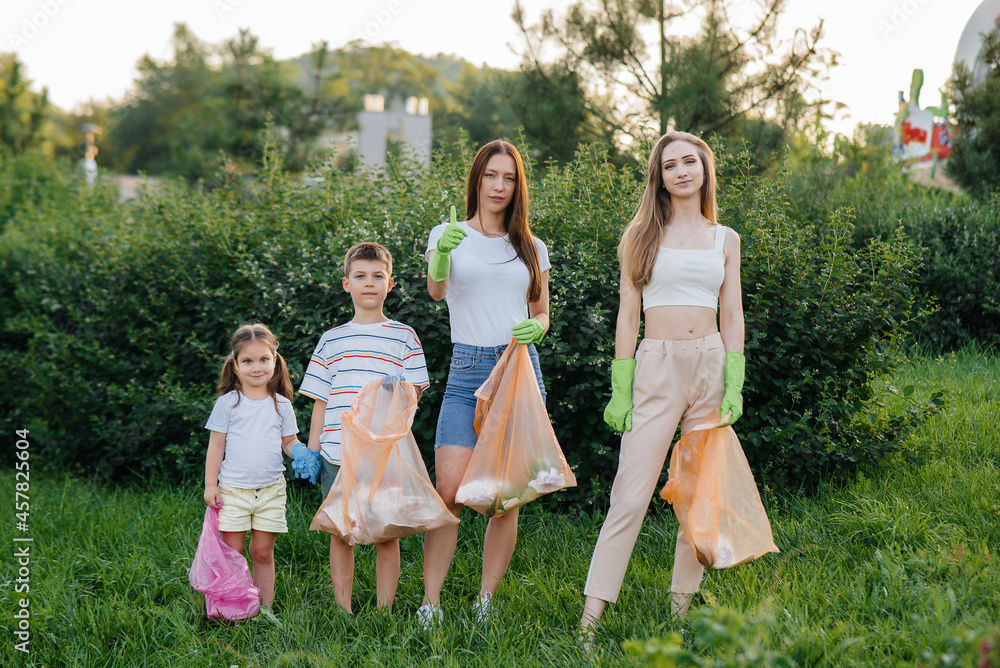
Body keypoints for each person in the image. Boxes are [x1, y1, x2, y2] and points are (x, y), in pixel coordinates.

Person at [579, 131, 746, 639]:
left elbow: (733, 313)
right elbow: (628, 316)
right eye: (670, 165)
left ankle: (679, 613)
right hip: (656, 366)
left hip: (711, 366)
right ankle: (589, 622)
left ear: (704, 170)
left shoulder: (726, 239)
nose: (680, 171)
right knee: (629, 496)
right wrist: (621, 385)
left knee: (697, 497)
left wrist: (734, 380)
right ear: (660, 177)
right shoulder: (639, 236)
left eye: (689, 162)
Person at [419, 139, 551, 626]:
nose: (499, 186)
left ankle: (484, 601)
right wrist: (441, 257)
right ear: (477, 179)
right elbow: (436, 292)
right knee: (449, 489)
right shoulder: (448, 232)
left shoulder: (531, 246)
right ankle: (429, 603)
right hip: (467, 365)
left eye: (509, 178)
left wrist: (536, 327)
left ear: (518, 186)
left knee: (505, 496)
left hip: (518, 367)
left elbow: (542, 313)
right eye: (491, 175)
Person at [299, 242, 430, 613]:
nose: (368, 283)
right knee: (342, 532)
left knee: (385, 531)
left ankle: (383, 610)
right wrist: (312, 449)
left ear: (391, 283)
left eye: (377, 276)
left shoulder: (404, 336)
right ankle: (343, 610)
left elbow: (413, 395)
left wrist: (391, 437)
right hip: (336, 453)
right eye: (360, 276)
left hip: (383, 454)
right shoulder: (332, 339)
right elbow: (321, 401)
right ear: (346, 284)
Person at [204, 322, 316, 621]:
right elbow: (216, 447)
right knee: (233, 553)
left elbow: (289, 441)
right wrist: (210, 485)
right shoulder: (228, 404)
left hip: (270, 491)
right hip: (232, 491)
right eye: (248, 361)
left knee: (263, 552)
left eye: (264, 359)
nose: (257, 367)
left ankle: (263, 609)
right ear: (236, 365)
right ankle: (234, 607)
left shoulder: (282, 405)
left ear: (275, 360)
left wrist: (301, 452)